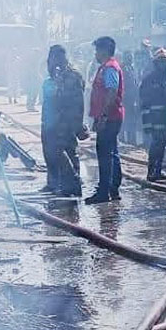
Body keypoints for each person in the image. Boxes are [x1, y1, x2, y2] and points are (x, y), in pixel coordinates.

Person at [39, 44, 86, 197]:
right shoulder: (53, 77)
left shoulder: (73, 76)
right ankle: (53, 183)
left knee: (68, 151)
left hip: (66, 122)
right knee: (50, 152)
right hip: (50, 122)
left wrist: (77, 125)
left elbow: (78, 103)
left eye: (53, 58)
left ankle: (74, 183)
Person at [86, 35, 126, 204]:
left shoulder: (109, 68)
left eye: (97, 50)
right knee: (112, 152)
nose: (95, 53)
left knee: (104, 153)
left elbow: (111, 92)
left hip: (109, 117)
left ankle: (104, 191)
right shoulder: (105, 67)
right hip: (111, 116)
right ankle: (113, 188)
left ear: (103, 51)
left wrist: (102, 116)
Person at [138, 48, 166, 182]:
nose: (163, 65)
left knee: (162, 145)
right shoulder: (149, 79)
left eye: (165, 62)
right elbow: (144, 102)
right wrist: (147, 124)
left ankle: (158, 170)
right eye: (160, 62)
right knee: (155, 145)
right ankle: (152, 172)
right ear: (156, 63)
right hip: (154, 118)